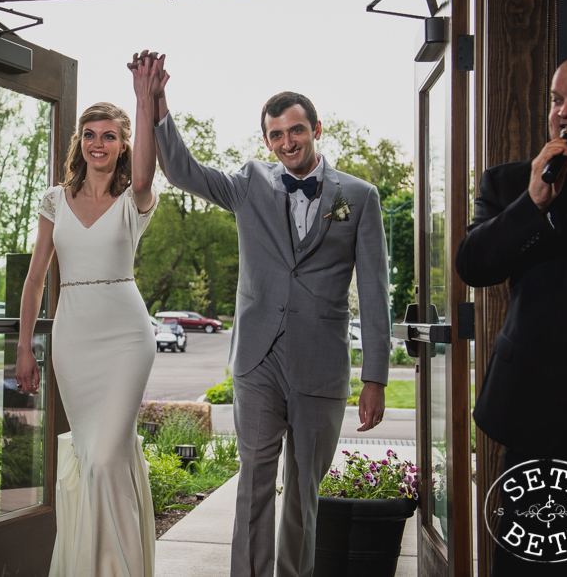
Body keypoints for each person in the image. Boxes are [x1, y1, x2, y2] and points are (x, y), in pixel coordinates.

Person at [149, 75, 391, 576]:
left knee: (304, 490)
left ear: (316, 128)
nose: (287, 143)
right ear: (266, 140)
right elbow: (181, 170)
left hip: (320, 364)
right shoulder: (248, 184)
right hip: (257, 359)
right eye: (276, 135)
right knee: (253, 481)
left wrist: (376, 378)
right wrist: (157, 104)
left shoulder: (360, 197)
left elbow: (373, 292)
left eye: (296, 131)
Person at [457, 52, 567, 575]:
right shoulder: (510, 184)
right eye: (556, 100)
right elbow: (474, 265)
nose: (564, 112)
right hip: (541, 415)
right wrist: (535, 201)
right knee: (532, 562)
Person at [15, 51, 167, 577]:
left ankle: (119, 568)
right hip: (73, 338)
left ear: (123, 144)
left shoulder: (135, 199)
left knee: (105, 459)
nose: (97, 143)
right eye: (89, 134)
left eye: (109, 135)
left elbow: (148, 169)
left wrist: (143, 100)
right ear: (79, 142)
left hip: (126, 337)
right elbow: (35, 280)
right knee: (93, 456)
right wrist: (24, 348)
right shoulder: (54, 200)